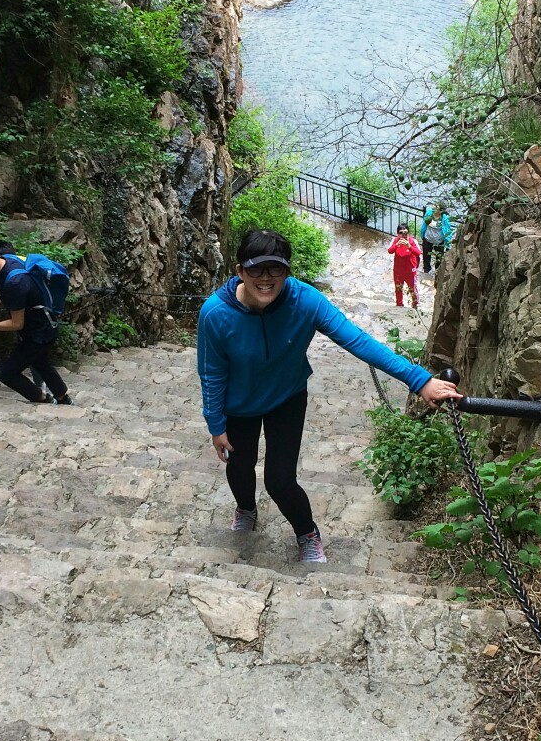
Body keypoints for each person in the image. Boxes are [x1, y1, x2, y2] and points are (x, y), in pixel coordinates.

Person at [197, 229, 461, 563]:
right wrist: (215, 423)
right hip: (238, 406)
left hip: (286, 398)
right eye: (256, 270)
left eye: (275, 269)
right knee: (239, 466)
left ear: (287, 272)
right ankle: (246, 509)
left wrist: (418, 380)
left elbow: (357, 340)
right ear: (239, 271)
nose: (266, 279)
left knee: (279, 480)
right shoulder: (215, 314)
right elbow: (212, 373)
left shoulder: (304, 301)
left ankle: (307, 533)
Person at [0, 239, 72, 405]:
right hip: (45, 324)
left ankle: (43, 399)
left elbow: (17, 324)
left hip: (39, 334)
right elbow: (6, 290)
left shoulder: (15, 283)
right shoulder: (8, 261)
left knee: (6, 372)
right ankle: (64, 399)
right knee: (40, 362)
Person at [388, 224, 422, 307]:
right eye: (400, 233)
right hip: (398, 271)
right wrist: (396, 245)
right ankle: (399, 304)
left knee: (413, 289)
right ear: (397, 234)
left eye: (405, 233)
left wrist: (409, 246)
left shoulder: (412, 241)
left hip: (410, 271)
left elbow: (418, 252)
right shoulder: (395, 240)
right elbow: (390, 251)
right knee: (398, 289)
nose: (403, 235)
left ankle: (415, 304)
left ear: (408, 233)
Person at [420, 204, 452, 275]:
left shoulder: (444, 219)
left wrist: (448, 244)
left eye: (436, 206)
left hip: (439, 241)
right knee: (426, 256)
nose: (434, 207)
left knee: (439, 258)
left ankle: (437, 272)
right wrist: (424, 212)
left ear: (441, 210)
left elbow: (448, 231)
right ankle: (426, 270)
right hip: (427, 239)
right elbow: (425, 220)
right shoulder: (429, 213)